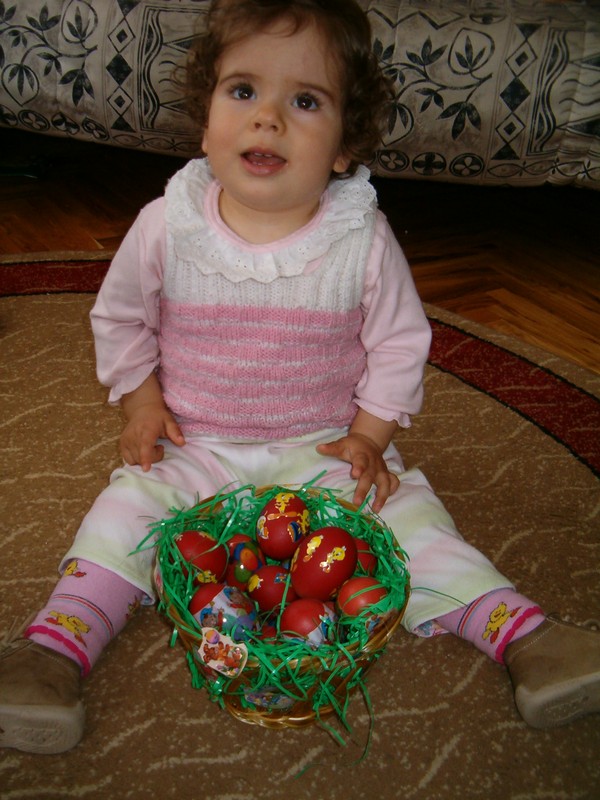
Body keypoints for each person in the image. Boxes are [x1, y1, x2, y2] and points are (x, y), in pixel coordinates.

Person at [1, 0, 598, 755]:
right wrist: (143, 403)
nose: (268, 118)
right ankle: (53, 653)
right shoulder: (167, 223)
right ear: (206, 119)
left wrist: (369, 437)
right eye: (243, 91)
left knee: (409, 520)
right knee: (124, 511)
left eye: (306, 101)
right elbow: (121, 319)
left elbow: (399, 344)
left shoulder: (361, 236)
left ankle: (525, 635)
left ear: (344, 146)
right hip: (195, 442)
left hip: (324, 446)